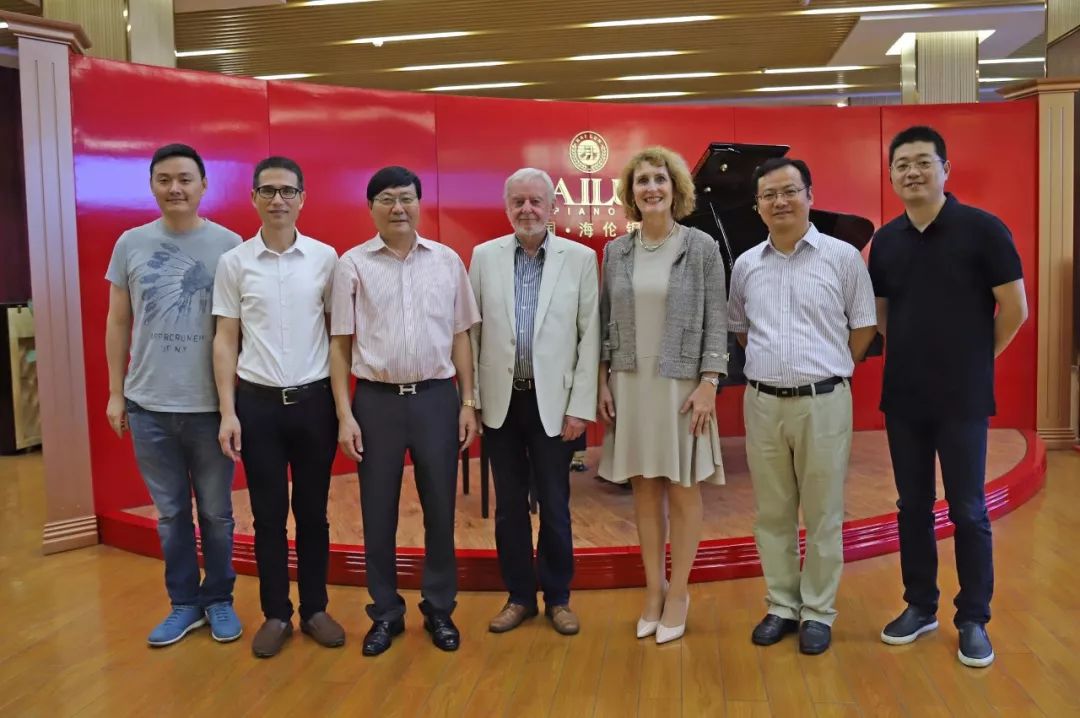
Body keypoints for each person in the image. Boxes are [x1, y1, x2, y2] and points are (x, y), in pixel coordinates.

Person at [870, 126, 1028, 668]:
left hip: (963, 397)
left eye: (922, 162)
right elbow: (884, 318)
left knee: (968, 509)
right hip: (904, 396)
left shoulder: (983, 229)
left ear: (945, 169)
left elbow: (1015, 309)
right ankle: (920, 605)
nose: (912, 172)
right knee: (911, 506)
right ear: (892, 176)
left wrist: (976, 360)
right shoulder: (886, 241)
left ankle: (973, 618)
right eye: (902, 165)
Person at [728, 157, 877, 655]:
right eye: (769, 195)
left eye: (789, 191)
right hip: (763, 403)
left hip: (824, 401)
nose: (780, 202)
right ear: (758, 206)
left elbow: (863, 326)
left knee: (823, 512)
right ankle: (781, 605)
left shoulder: (842, 257)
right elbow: (742, 331)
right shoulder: (746, 264)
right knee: (771, 512)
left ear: (809, 195)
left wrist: (832, 368)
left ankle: (817, 610)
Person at [329, 165, 481, 657]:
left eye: (407, 198)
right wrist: (345, 414)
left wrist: (468, 402)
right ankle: (385, 613)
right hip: (376, 403)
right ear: (371, 207)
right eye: (387, 199)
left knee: (440, 509)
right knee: (378, 513)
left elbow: (461, 336)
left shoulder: (446, 261)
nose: (398, 208)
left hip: (437, 399)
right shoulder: (352, 265)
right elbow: (340, 344)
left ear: (419, 203)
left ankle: (439, 608)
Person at [104, 143, 242, 646]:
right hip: (148, 406)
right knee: (170, 515)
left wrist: (231, 407)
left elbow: (237, 330)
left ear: (204, 185)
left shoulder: (230, 245)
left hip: (208, 409)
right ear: (152, 186)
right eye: (164, 179)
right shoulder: (131, 243)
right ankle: (184, 604)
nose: (175, 188)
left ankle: (219, 599)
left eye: (185, 179)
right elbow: (118, 321)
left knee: (217, 515)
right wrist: (116, 393)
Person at [212, 156, 343, 658]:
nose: (278, 199)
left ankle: (314, 609)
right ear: (253, 198)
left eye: (288, 191)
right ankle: (275, 614)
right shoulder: (235, 262)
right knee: (267, 516)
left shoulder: (325, 259)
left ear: (302, 198)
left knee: (313, 513)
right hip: (257, 406)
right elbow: (226, 339)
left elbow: (338, 337)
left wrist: (341, 408)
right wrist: (228, 411)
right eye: (267, 191)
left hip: (314, 404)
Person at [597, 146, 727, 645]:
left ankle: (679, 593)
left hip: (683, 384)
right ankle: (653, 591)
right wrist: (603, 379)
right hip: (631, 382)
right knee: (645, 491)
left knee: (683, 488)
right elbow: (606, 321)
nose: (651, 188)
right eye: (642, 181)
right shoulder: (616, 252)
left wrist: (710, 382)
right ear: (631, 193)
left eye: (660, 179)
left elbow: (717, 319)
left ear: (676, 189)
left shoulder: (701, 247)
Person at [469, 168, 600, 636]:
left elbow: (590, 336)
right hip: (501, 403)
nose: (527, 210)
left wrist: (580, 406)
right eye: (518, 201)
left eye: (536, 201)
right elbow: (472, 333)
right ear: (507, 207)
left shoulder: (580, 259)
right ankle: (519, 597)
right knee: (508, 507)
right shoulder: (483, 257)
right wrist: (472, 400)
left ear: (552, 207)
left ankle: (558, 598)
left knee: (555, 504)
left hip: (556, 405)